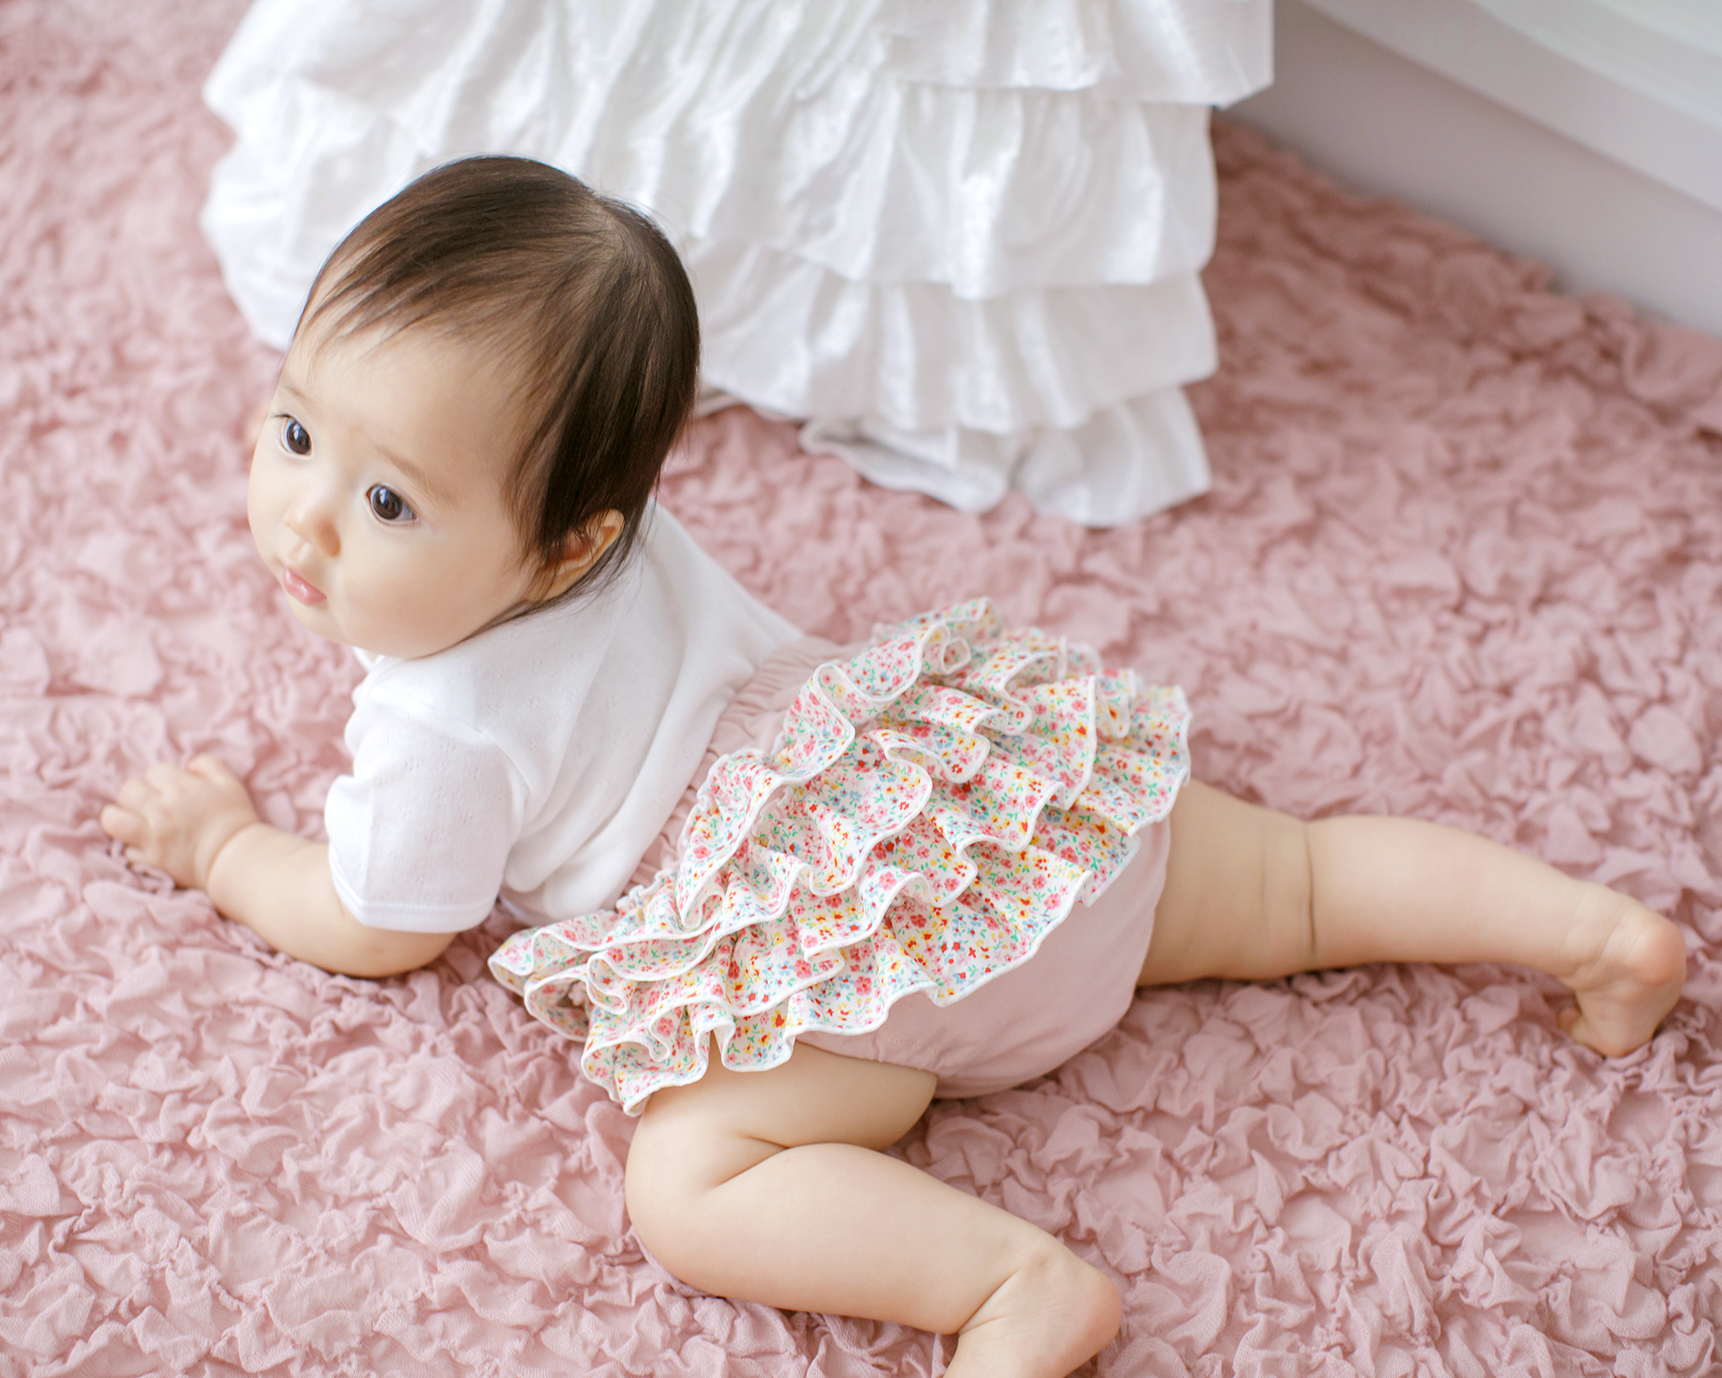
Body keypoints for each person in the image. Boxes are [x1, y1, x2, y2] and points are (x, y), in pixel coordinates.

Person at [100, 157, 1687, 1378]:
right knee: (1302, 875)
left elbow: (380, 919)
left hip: (835, 966)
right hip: (973, 799)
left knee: (691, 1182)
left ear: (567, 539)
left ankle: (1009, 1284)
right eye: (295, 431)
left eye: (388, 501)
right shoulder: (598, 523)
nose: (305, 516)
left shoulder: (436, 725)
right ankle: (1594, 932)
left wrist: (226, 847)